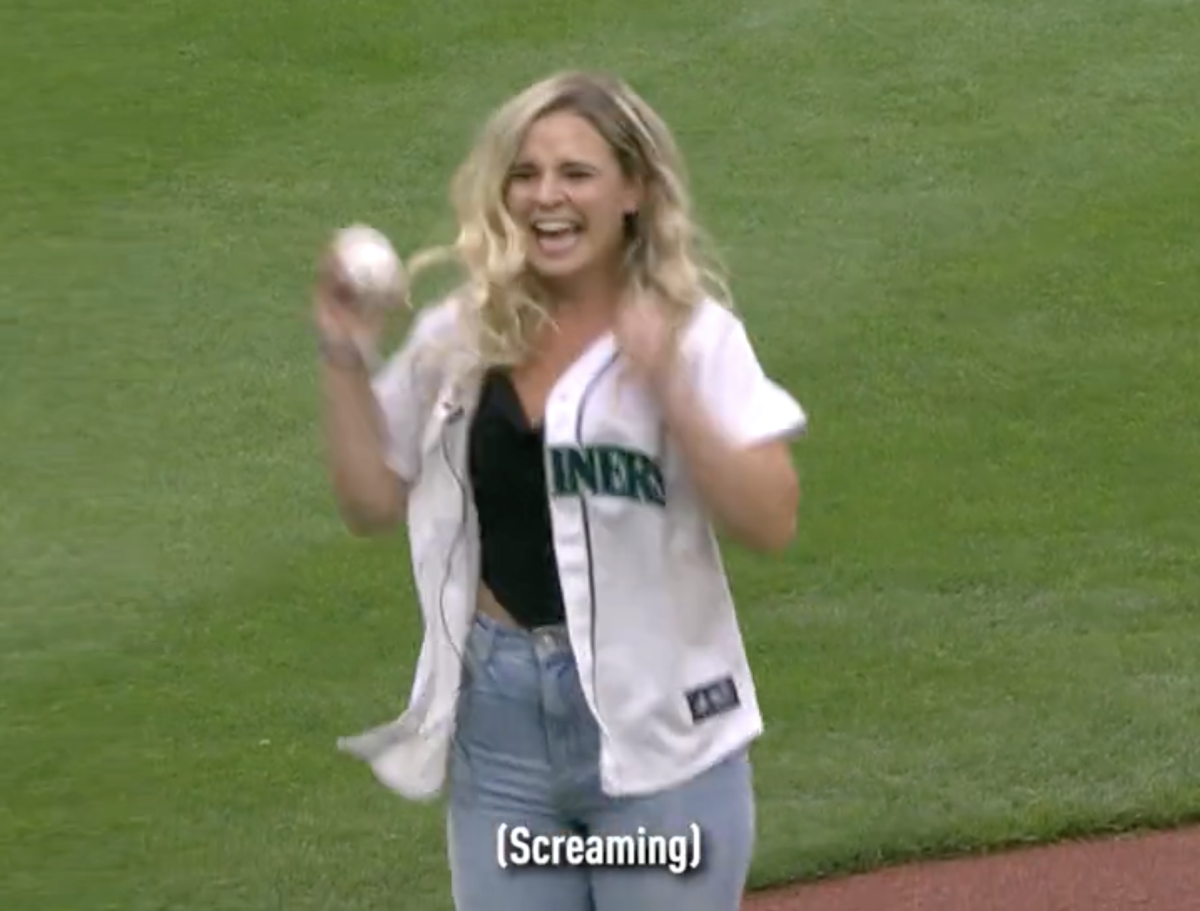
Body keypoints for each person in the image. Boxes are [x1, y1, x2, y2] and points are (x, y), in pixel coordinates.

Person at [313, 70, 807, 911]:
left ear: (634, 191)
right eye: (526, 173)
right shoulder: (460, 337)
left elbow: (772, 517)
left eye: (576, 173)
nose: (547, 196)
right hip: (501, 736)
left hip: (662, 738)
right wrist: (343, 352)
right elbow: (369, 501)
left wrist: (671, 390)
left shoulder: (696, 335)